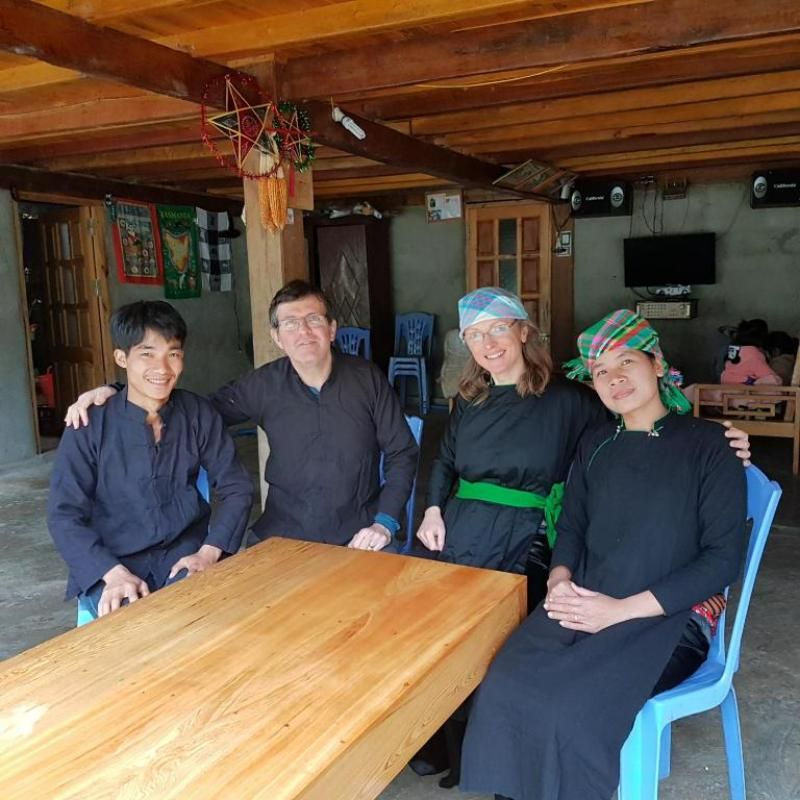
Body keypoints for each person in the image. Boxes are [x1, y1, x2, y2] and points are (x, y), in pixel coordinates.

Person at [412, 288, 750, 788]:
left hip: (665, 615)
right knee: (503, 683)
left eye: (626, 364)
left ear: (657, 364)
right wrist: (560, 580)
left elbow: (722, 560)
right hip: (588, 592)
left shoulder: (707, 445)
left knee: (569, 708)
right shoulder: (597, 443)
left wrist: (618, 610)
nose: (614, 380)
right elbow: (570, 524)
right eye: (601, 372)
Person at [64, 281, 418, 553]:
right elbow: (192, 411)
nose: (304, 332)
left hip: (360, 530)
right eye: (290, 324)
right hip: (283, 532)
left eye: (313, 320)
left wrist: (384, 522)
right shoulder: (264, 384)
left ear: (332, 329)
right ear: (276, 337)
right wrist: (118, 390)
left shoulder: (366, 378)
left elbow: (403, 452)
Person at [48, 301, 254, 617]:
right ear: (122, 357)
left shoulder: (197, 414)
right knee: (129, 626)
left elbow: (235, 487)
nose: (163, 368)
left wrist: (209, 553)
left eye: (173, 354)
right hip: (113, 560)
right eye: (147, 354)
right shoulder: (89, 425)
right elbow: (64, 514)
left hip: (185, 554)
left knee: (197, 615)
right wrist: (110, 572)